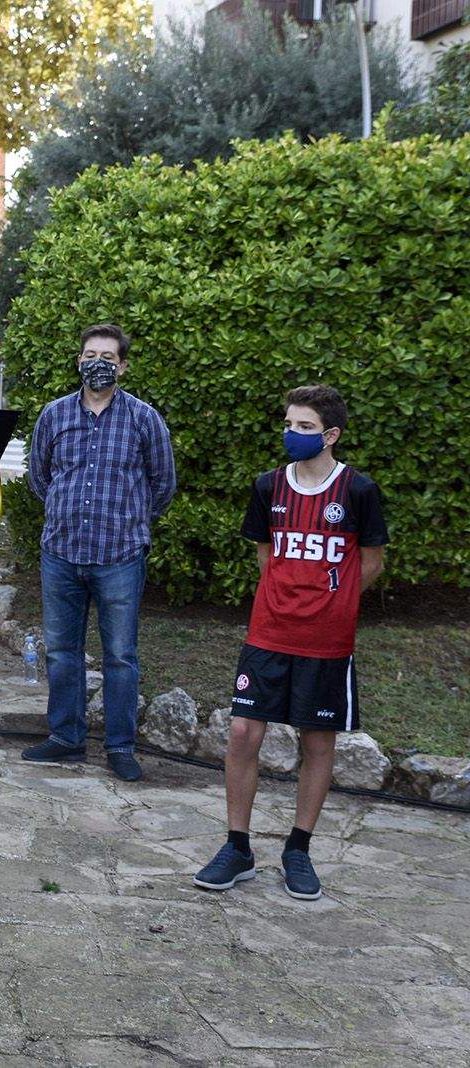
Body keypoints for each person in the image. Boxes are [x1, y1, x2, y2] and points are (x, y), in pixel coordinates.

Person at [194, 385, 386, 901]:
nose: (291, 434)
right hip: (269, 631)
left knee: (317, 741)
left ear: (330, 435)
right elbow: (265, 553)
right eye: (288, 424)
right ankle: (237, 847)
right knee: (241, 733)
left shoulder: (359, 491)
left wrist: (333, 601)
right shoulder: (268, 486)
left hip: (326, 638)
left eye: (304, 427)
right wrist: (285, 596)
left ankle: (298, 851)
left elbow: (370, 563)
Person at [23, 323, 175, 782]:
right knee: (62, 652)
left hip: (120, 555)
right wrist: (63, 511)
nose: (99, 363)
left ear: (123, 366)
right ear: (78, 361)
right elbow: (39, 477)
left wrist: (130, 523)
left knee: (120, 656)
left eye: (108, 357)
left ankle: (120, 746)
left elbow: (162, 484)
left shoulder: (144, 418)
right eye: (91, 354)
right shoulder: (53, 415)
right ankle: (66, 739)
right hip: (62, 552)